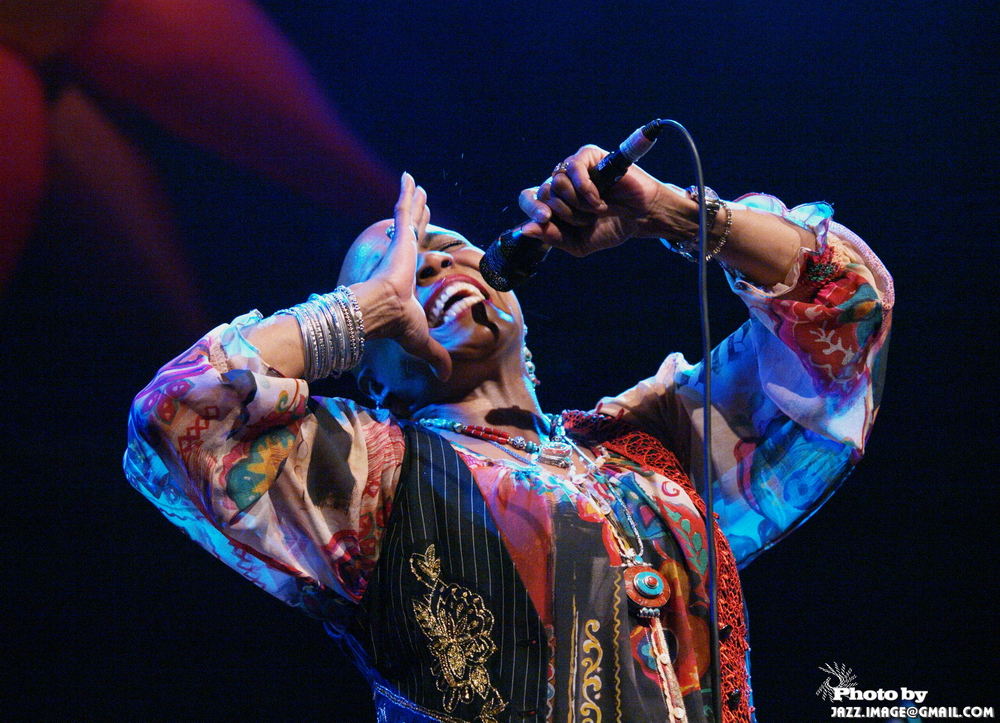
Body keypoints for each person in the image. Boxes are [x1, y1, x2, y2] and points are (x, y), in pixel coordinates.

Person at [125, 144, 893, 722]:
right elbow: (177, 414)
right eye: (402, 275)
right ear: (373, 374)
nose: (435, 265)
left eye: (450, 250)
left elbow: (851, 314)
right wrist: (358, 310)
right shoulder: (368, 475)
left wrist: (673, 213)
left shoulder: (648, 445)